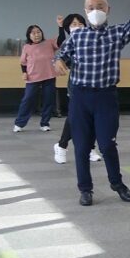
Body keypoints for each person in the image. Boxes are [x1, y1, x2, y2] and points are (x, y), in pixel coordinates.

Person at [54, 0, 130, 206]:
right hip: (80, 97)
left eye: (99, 7)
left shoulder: (117, 34)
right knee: (81, 147)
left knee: (107, 145)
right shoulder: (77, 36)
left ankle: (117, 183)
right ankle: (85, 189)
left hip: (105, 97)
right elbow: (60, 55)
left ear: (108, 9)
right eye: (90, 8)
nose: (95, 11)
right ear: (85, 11)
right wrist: (58, 61)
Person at [53, 14, 101, 164]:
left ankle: (90, 148)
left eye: (81, 24)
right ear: (68, 28)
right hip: (77, 86)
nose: (78, 26)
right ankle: (61, 146)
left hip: (96, 84)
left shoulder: (92, 40)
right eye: (74, 24)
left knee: (93, 118)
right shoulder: (70, 42)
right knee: (75, 118)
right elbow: (60, 57)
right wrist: (60, 63)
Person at [13, 24, 58, 133]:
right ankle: (19, 123)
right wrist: (24, 72)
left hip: (49, 75)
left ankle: (45, 123)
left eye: (38, 32)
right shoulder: (27, 47)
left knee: (49, 100)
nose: (37, 35)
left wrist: (61, 27)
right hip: (33, 76)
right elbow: (23, 62)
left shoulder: (49, 43)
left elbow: (61, 40)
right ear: (29, 35)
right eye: (33, 33)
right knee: (28, 99)